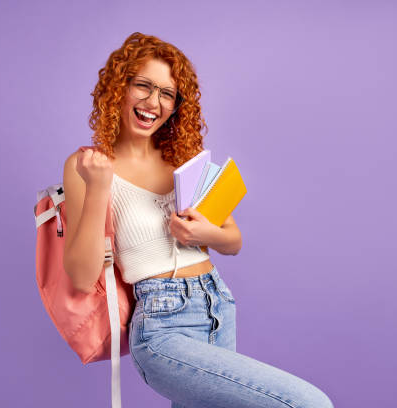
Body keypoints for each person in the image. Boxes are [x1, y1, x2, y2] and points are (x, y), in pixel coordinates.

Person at [62, 32, 334, 408]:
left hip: (217, 304)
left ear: (176, 105)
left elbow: (233, 240)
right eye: (143, 86)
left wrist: (203, 232)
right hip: (161, 324)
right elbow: (79, 276)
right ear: (118, 86)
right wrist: (97, 189)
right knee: (308, 403)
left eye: (167, 94)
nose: (153, 102)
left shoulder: (184, 162)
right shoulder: (86, 167)